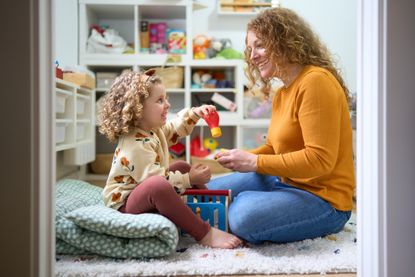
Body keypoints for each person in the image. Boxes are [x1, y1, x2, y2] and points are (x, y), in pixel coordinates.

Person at [209, 7, 355, 244]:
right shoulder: (283, 92)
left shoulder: (315, 82)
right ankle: (249, 201)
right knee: (208, 190)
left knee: (242, 216)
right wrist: (242, 157)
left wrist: (255, 163)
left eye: (259, 45)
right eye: (249, 49)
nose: (252, 56)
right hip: (285, 180)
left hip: (324, 201)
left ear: (284, 40)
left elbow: (319, 160)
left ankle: (245, 203)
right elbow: (274, 149)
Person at [98, 69, 242, 249]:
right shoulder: (134, 144)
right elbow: (152, 180)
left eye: (166, 99)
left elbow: (175, 129)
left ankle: (212, 210)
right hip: (124, 204)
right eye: (159, 100)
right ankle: (204, 232)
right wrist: (190, 180)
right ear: (138, 109)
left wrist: (195, 113)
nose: (167, 104)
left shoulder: (153, 129)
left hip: (141, 193)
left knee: (181, 166)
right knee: (158, 185)